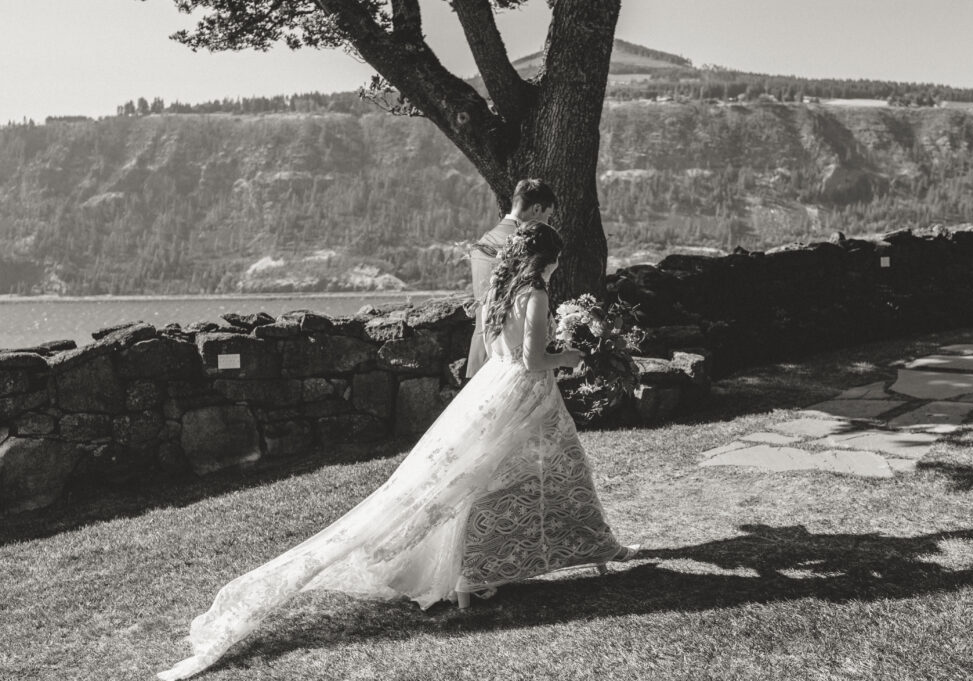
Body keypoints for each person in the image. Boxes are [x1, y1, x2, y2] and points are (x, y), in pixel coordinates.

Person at [157, 220, 634, 680]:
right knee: (547, 472)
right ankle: (564, 554)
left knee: (471, 482)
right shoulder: (535, 294)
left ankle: (484, 576)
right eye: (554, 262)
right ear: (544, 260)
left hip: (492, 390)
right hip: (525, 395)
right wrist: (573, 355)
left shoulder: (499, 293)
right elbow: (533, 360)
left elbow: (494, 350)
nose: (554, 270)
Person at [466, 178, 557, 378]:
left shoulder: (484, 241)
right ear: (536, 209)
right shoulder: (528, 246)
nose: (548, 224)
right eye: (548, 217)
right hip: (513, 364)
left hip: (481, 354)